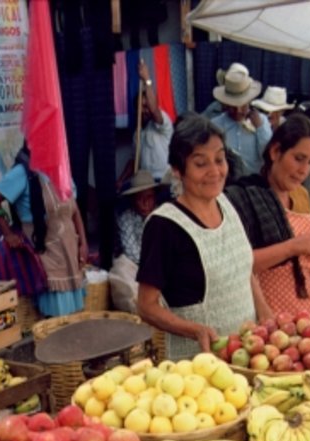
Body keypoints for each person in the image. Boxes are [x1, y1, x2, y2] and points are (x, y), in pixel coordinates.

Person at [137, 114, 271, 358]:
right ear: (178, 170)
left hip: (246, 355)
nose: (214, 171)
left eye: (219, 160)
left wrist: (265, 313)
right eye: (201, 164)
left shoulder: (227, 203)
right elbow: (146, 306)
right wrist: (194, 330)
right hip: (196, 367)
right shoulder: (164, 226)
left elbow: (243, 268)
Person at [227, 114, 310, 321]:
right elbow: (238, 263)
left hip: (304, 319)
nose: (304, 170)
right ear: (275, 152)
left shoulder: (300, 195)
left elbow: (305, 247)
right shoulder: (245, 196)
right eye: (298, 158)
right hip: (263, 320)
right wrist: (293, 247)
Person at [0, 143, 88, 317]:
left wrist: (83, 243)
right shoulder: (22, 173)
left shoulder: (61, 169)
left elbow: (75, 210)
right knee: (57, 318)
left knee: (74, 317)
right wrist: (7, 234)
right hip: (46, 252)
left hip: (70, 251)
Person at [109, 169, 162, 313]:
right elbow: (131, 252)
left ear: (154, 198)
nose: (145, 203)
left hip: (160, 268)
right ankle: (141, 308)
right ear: (133, 200)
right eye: (140, 199)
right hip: (137, 266)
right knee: (120, 266)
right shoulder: (126, 217)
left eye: (149, 197)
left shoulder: (162, 216)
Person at [117, 58, 173, 188]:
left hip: (165, 181)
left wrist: (147, 80)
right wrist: (120, 180)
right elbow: (133, 161)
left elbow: (154, 110)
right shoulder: (137, 134)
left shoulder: (162, 124)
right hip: (147, 184)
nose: (144, 110)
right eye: (141, 107)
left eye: (146, 106)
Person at [211, 63, 272, 178]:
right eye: (233, 106)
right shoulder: (215, 125)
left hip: (255, 185)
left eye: (242, 105)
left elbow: (269, 156)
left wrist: (260, 128)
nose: (238, 111)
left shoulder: (262, 122)